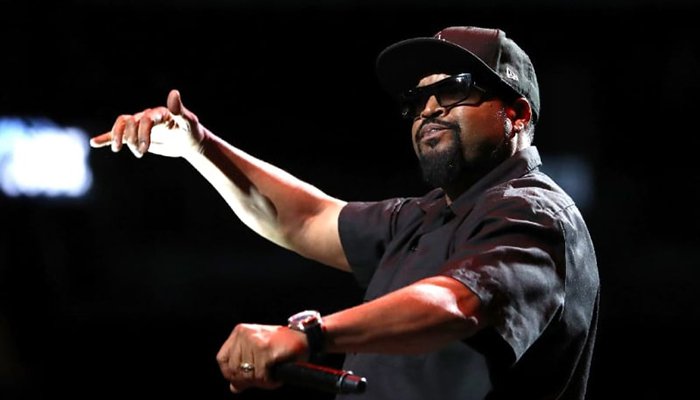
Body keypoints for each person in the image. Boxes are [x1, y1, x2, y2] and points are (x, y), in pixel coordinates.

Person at [90, 25, 600, 400]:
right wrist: (199, 148)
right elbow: (303, 218)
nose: (429, 109)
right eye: (418, 98)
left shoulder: (533, 213)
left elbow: (458, 302)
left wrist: (310, 334)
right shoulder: (422, 218)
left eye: (454, 89)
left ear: (517, 114)